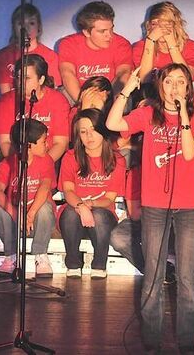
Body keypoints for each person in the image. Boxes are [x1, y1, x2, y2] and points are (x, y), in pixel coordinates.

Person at [106, 64, 194, 352]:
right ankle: (152, 342)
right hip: (154, 205)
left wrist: (184, 115)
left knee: (186, 277)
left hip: (189, 207)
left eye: (181, 81)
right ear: (160, 86)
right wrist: (128, 89)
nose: (175, 87)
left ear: (188, 87)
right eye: (169, 81)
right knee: (152, 273)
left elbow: (189, 153)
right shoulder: (148, 114)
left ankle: (187, 344)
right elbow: (113, 124)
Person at [58, 108, 124, 279]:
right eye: (83, 132)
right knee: (71, 214)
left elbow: (109, 198)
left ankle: (99, 264)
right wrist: (81, 205)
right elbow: (68, 191)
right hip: (75, 210)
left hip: (102, 214)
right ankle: (73, 263)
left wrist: (91, 205)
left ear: (103, 130)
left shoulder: (117, 160)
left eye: (93, 130)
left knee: (100, 216)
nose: (89, 136)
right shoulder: (70, 157)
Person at [0, 118, 56, 277]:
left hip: (35, 214)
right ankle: (11, 256)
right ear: (29, 145)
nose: (47, 145)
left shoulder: (46, 160)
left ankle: (40, 255)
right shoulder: (8, 163)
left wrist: (30, 214)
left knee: (45, 208)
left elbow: (44, 186)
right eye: (43, 141)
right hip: (17, 217)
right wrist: (16, 214)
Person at [0, 54, 70, 162]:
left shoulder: (58, 100)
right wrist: (21, 165)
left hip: (49, 160)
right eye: (18, 77)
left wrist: (41, 167)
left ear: (41, 79)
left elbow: (60, 143)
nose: (20, 82)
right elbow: (5, 143)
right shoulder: (6, 101)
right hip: (16, 162)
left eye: (26, 78)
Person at [58, 1, 132, 103]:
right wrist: (83, 104)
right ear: (86, 32)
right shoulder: (69, 44)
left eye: (111, 29)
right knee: (62, 96)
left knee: (124, 97)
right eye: (102, 31)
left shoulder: (121, 44)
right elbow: (67, 74)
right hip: (80, 94)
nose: (109, 35)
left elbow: (123, 74)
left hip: (109, 94)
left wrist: (108, 104)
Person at [0, 4, 61, 95]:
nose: (26, 28)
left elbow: (51, 91)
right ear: (14, 27)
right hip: (13, 106)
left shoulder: (50, 56)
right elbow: (6, 94)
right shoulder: (3, 56)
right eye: (21, 24)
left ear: (39, 27)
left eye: (31, 23)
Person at [133, 1, 194, 83]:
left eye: (166, 24)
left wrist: (171, 43)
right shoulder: (140, 47)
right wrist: (150, 41)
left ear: (175, 25)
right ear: (149, 26)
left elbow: (186, 78)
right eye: (154, 24)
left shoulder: (192, 47)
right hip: (151, 94)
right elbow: (144, 80)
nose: (159, 29)